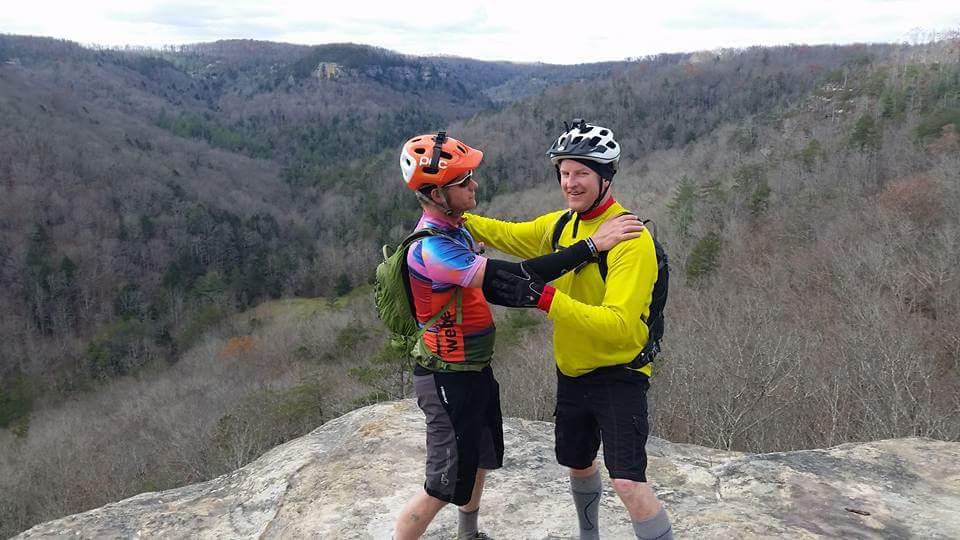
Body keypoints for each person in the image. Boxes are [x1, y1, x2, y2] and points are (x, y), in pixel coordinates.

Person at [392, 131, 644, 540]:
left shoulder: (455, 230)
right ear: (437, 194)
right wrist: (591, 246)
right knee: (441, 485)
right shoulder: (434, 250)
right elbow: (512, 280)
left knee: (479, 460)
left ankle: (468, 535)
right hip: (445, 376)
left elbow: (506, 237)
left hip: (473, 370)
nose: (474, 185)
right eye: (463, 182)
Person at [462, 120, 673, 540]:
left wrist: (546, 299)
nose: (571, 183)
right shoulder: (563, 226)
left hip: (619, 373)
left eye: (582, 173)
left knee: (628, 481)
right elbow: (508, 234)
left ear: (605, 177)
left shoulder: (631, 239)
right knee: (577, 461)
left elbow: (618, 326)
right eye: (564, 173)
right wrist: (452, 214)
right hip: (573, 372)